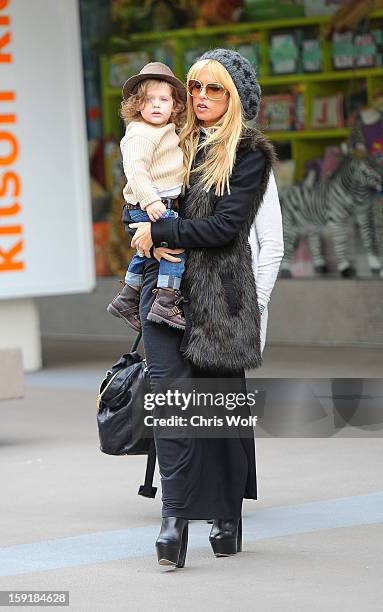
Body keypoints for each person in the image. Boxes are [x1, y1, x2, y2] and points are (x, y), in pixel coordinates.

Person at [128, 48, 284, 568]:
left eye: (213, 88)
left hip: (222, 300)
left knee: (218, 414)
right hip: (165, 296)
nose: (199, 97)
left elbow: (225, 230)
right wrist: (142, 231)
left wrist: (256, 312)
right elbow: (140, 199)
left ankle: (225, 514)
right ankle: (174, 521)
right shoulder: (171, 141)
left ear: (235, 96)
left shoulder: (248, 153)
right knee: (171, 403)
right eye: (194, 86)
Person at [107, 62, 188, 332]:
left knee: (148, 253)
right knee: (175, 250)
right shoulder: (140, 133)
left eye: (163, 100)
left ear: (174, 105)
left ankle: (127, 297)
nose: (156, 105)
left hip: (155, 203)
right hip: (149, 205)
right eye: (148, 100)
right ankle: (166, 300)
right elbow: (135, 170)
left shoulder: (165, 131)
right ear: (137, 106)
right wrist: (151, 201)